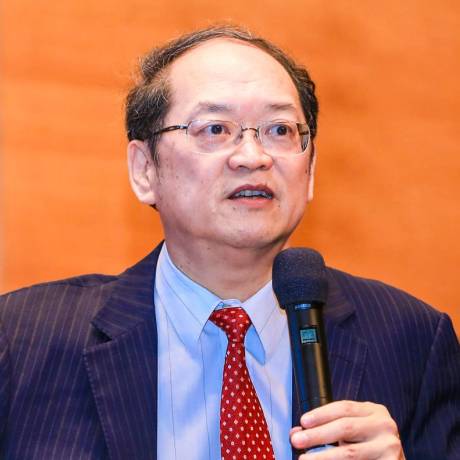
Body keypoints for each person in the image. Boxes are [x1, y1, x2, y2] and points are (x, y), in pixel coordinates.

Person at [0, 25, 459, 460]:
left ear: (310, 170)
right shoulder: (20, 341)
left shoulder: (413, 342)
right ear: (144, 170)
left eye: (280, 130)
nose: (253, 157)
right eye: (215, 129)